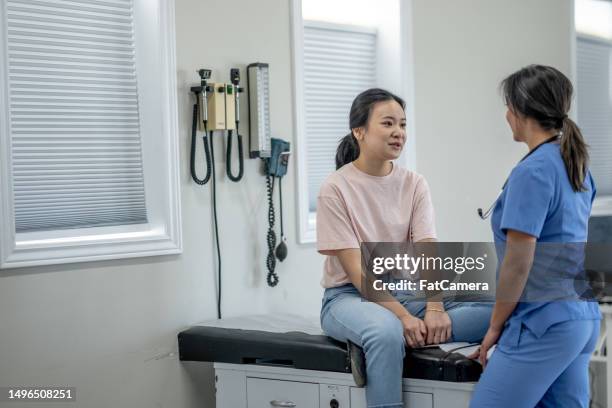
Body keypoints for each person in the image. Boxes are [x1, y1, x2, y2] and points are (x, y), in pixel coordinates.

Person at [317, 88, 493, 408]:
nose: (399, 132)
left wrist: (434, 309)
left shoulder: (414, 183)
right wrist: (402, 318)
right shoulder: (335, 188)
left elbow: (427, 247)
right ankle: (379, 341)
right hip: (349, 296)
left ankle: (379, 344)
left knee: (499, 307)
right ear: (359, 131)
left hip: (405, 292)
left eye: (403, 124)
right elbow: (357, 270)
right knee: (385, 331)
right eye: (388, 123)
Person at [469, 65, 602, 407]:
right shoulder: (574, 164)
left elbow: (517, 264)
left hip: (542, 323)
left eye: (509, 105)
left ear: (521, 110)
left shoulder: (533, 171)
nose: (506, 114)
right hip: (579, 318)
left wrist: (495, 327)